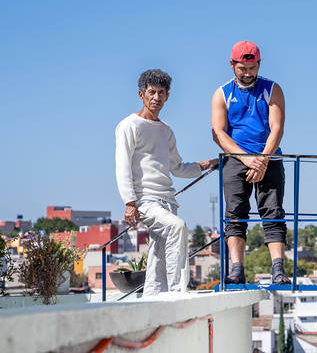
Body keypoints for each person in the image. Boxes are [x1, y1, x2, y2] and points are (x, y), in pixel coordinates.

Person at [115, 69, 218, 296]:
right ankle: (178, 292)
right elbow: (122, 165)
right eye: (152, 92)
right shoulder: (128, 126)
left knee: (159, 256)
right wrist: (130, 202)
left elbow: (177, 167)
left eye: (161, 93)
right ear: (141, 94)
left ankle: (152, 299)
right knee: (177, 228)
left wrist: (205, 165)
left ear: (167, 96)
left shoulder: (166, 130)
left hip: (168, 199)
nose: (156, 97)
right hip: (144, 200)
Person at [211, 41, 291, 285]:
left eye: (252, 68)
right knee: (235, 213)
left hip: (269, 157)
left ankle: (278, 268)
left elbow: (277, 127)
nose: (247, 74)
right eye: (242, 68)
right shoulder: (222, 93)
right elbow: (218, 132)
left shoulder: (272, 89)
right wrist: (246, 159)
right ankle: (236, 268)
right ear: (232, 65)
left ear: (259, 65)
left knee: (273, 211)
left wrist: (263, 160)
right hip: (236, 159)